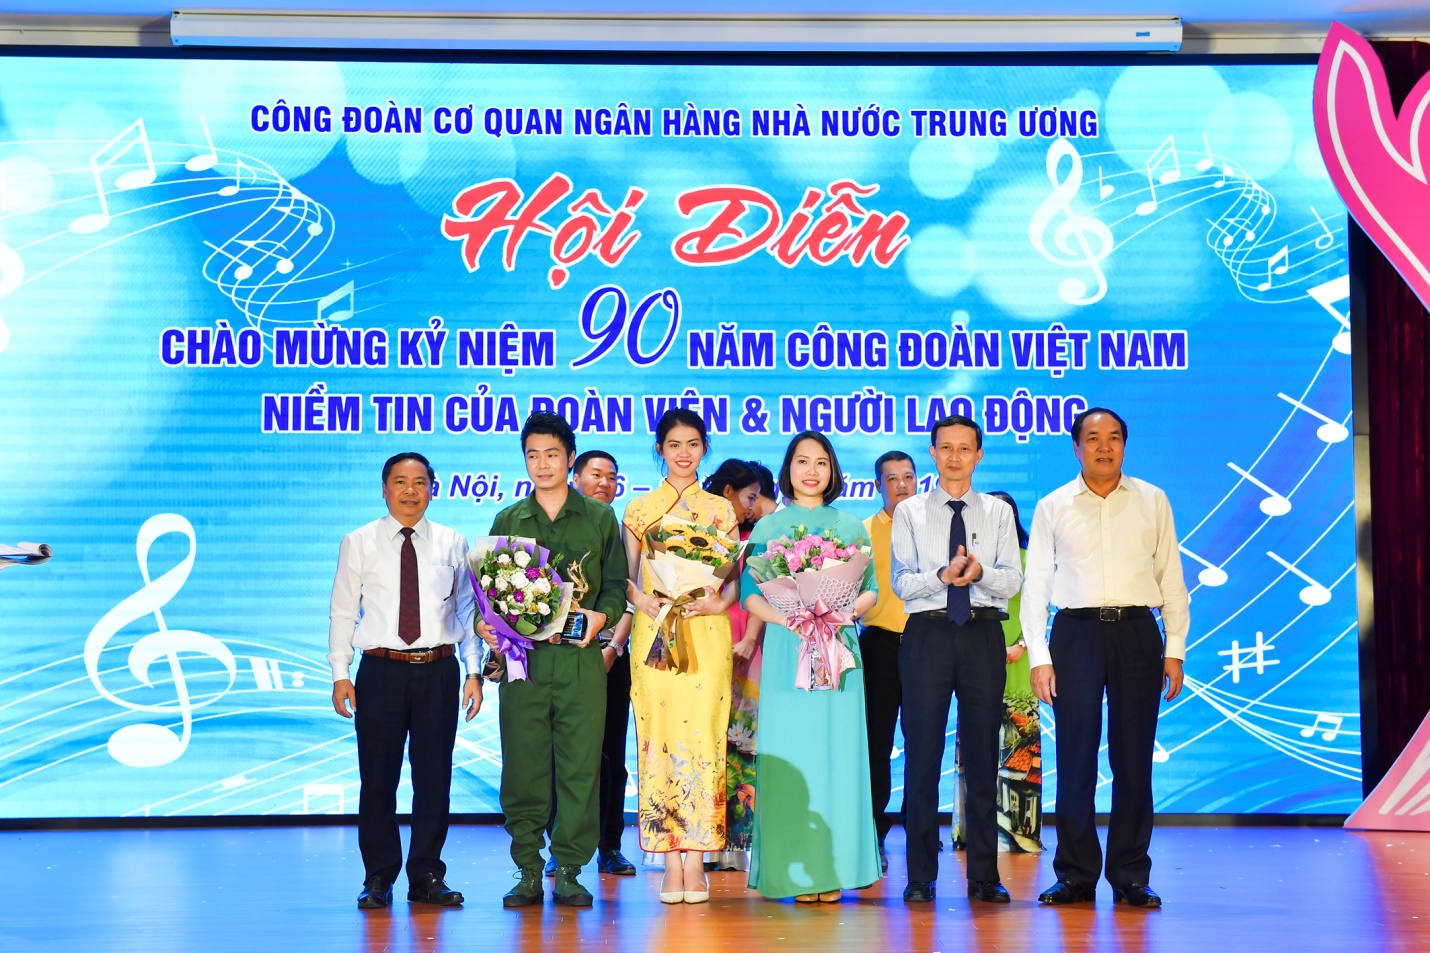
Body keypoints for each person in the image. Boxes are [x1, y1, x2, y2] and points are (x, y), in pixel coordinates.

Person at [1023, 407, 1187, 909]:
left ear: (1124, 445)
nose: (1104, 447)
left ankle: (1130, 874)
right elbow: (1037, 587)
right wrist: (1039, 656)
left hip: (1137, 632)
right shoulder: (1053, 505)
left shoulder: (1152, 500)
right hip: (1075, 633)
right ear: (1076, 448)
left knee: (1133, 759)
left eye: (1114, 437)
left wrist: (1175, 649)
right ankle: (1075, 874)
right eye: (1093, 438)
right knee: (1075, 757)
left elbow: (1172, 579)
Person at [479, 413, 628, 909]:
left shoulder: (599, 518)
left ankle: (568, 869)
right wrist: (485, 625)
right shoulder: (509, 520)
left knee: (580, 767)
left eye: (552, 455)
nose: (542, 464)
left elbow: (614, 587)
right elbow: (489, 592)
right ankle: (527, 868)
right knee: (524, 766)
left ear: (569, 458)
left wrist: (601, 617)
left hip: (580, 662)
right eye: (532, 455)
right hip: (524, 662)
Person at [328, 452, 483, 909]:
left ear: (433, 489)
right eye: (400, 481)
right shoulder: (358, 541)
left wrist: (474, 671)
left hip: (438, 669)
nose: (410, 490)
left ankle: (427, 876)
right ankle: (378, 876)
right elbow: (342, 611)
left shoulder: (453, 542)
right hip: (380, 671)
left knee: (434, 778)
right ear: (384, 489)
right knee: (377, 778)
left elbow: (467, 611)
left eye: (419, 482)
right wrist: (340, 673)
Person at [740, 431, 881, 902]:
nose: (812, 470)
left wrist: (843, 612)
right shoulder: (768, 527)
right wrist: (792, 619)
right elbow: (750, 595)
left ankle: (833, 870)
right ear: (789, 469)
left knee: (838, 755)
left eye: (821, 462)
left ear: (833, 470)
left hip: (838, 647)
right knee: (794, 756)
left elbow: (871, 589)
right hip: (789, 650)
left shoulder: (850, 525)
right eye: (802, 461)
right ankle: (797, 873)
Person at [890, 415, 1022, 905]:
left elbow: (1013, 579)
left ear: (978, 455)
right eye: (945, 448)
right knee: (922, 754)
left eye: (965, 449)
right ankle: (920, 874)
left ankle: (984, 875)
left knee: (983, 755)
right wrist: (941, 576)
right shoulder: (910, 511)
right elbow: (902, 582)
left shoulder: (998, 512)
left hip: (983, 631)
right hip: (927, 633)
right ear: (932, 452)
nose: (954, 457)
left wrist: (980, 572)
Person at [623, 409, 738, 904]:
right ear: (660, 449)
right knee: (660, 739)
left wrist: (719, 603)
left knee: (705, 737)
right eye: (674, 444)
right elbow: (625, 577)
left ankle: (697, 860)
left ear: (704, 448)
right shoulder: (638, 509)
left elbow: (733, 580)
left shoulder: (721, 510)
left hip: (706, 631)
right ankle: (671, 860)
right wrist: (642, 600)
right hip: (655, 633)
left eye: (693, 444)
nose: (684, 453)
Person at [951, 491, 1046, 855]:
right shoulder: (966, 564)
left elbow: (1042, 609)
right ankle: (969, 832)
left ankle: (1019, 834)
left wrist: (1021, 645)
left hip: (1018, 664)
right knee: (974, 747)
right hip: (974, 661)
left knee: (1019, 749)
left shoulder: (1028, 559)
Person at [565, 449, 637, 878]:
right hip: (561, 654)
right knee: (561, 755)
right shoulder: (560, 525)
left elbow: (631, 593)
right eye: (596, 475)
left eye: (612, 476)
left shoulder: (624, 530)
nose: (605, 483)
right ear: (575, 477)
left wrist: (614, 647)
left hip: (612, 655)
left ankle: (610, 846)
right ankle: (562, 847)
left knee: (610, 754)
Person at [703, 458, 766, 871]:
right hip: (705, 645)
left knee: (744, 744)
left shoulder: (755, 537)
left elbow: (761, 588)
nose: (753, 506)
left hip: (746, 645)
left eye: (757, 499)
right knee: (704, 740)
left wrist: (750, 638)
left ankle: (739, 845)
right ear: (728, 492)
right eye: (749, 497)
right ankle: (704, 843)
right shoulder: (698, 533)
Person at [861, 450, 917, 872]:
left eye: (908, 477)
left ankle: (920, 830)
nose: (901, 485)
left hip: (926, 644)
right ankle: (874, 833)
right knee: (876, 745)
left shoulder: (935, 526)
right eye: (892, 479)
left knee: (923, 743)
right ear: (878, 485)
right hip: (878, 645)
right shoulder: (862, 532)